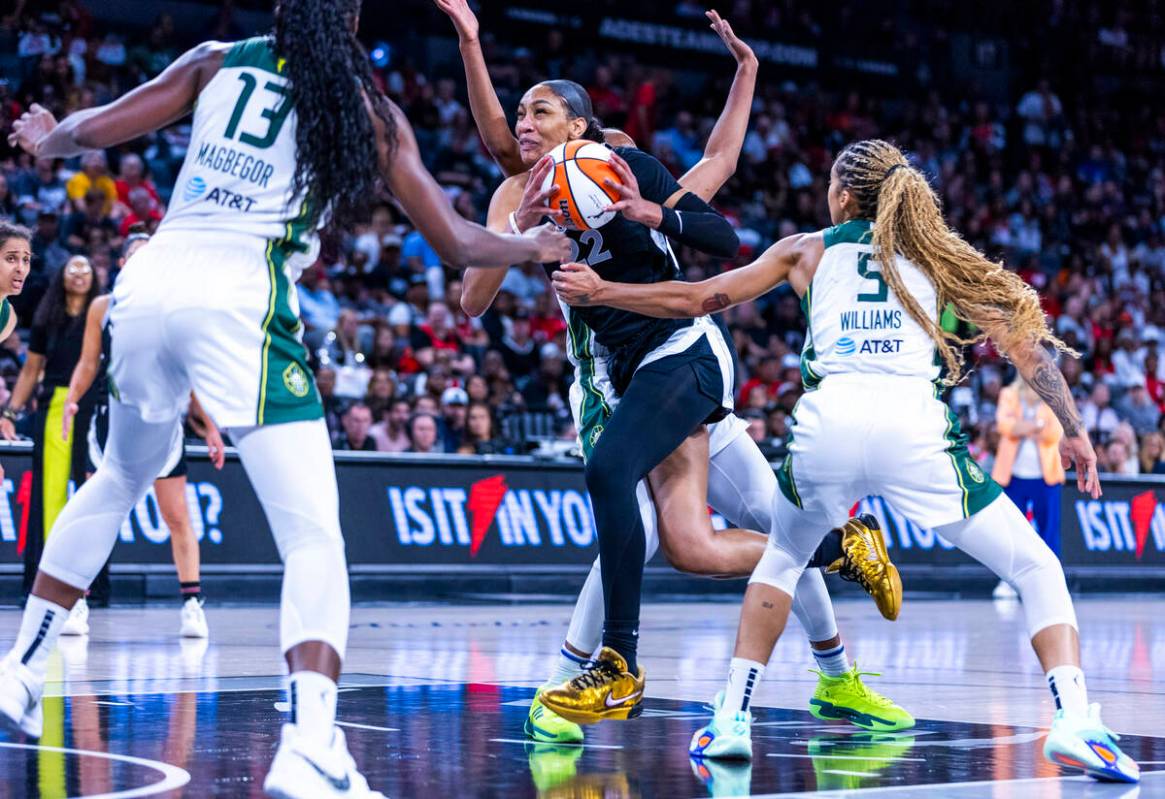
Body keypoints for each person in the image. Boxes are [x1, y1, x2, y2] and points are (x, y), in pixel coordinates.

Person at [1, 2, 568, 796]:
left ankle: (20, 671)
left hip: (151, 279)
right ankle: (308, 741)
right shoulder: (367, 110)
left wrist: (48, 132)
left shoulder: (214, 58)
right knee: (312, 538)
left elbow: (97, 128)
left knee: (117, 480)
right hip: (240, 294)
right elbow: (456, 241)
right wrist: (532, 243)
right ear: (353, 20)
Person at [551, 138, 1139, 783]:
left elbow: (698, 300)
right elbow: (1025, 348)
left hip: (827, 427)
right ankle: (1077, 720)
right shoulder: (942, 260)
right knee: (1034, 565)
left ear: (842, 195)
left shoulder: (806, 248)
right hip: (911, 429)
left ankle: (730, 720)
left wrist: (604, 289)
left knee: (782, 557)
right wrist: (1074, 429)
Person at [437, 0, 905, 740]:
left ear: (581, 129)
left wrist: (743, 75)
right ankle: (840, 602)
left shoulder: (620, 163)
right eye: (519, 113)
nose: (523, 125)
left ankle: (581, 676)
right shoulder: (514, 196)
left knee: (626, 510)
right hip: (620, 374)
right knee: (714, 536)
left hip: (677, 349)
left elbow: (715, 173)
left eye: (542, 112)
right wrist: (523, 236)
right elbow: (470, 299)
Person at [61, 233, 226, 638]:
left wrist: (210, 428)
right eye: (137, 255)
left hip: (165, 422)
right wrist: (71, 399)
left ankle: (191, 604)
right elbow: (87, 362)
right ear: (122, 265)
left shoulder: (175, 311)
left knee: (177, 516)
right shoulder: (104, 307)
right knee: (93, 515)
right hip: (110, 420)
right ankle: (77, 603)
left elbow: (189, 378)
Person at [1, 256, 101, 604]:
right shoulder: (47, 320)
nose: (78, 273)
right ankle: (50, 580)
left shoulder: (103, 317)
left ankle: (88, 584)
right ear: (61, 276)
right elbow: (30, 371)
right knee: (51, 496)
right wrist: (10, 411)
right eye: (72, 267)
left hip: (93, 408)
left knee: (93, 496)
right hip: (55, 405)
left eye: (85, 269)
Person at [993, 376, 1065, 567]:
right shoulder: (1009, 394)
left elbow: (1055, 433)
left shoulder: (1054, 397)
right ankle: (1008, 579)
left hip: (1046, 477)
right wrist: (1038, 425)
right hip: (1013, 476)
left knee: (1048, 531)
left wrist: (1020, 427)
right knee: (1011, 532)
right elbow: (1004, 426)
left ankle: (1051, 575)